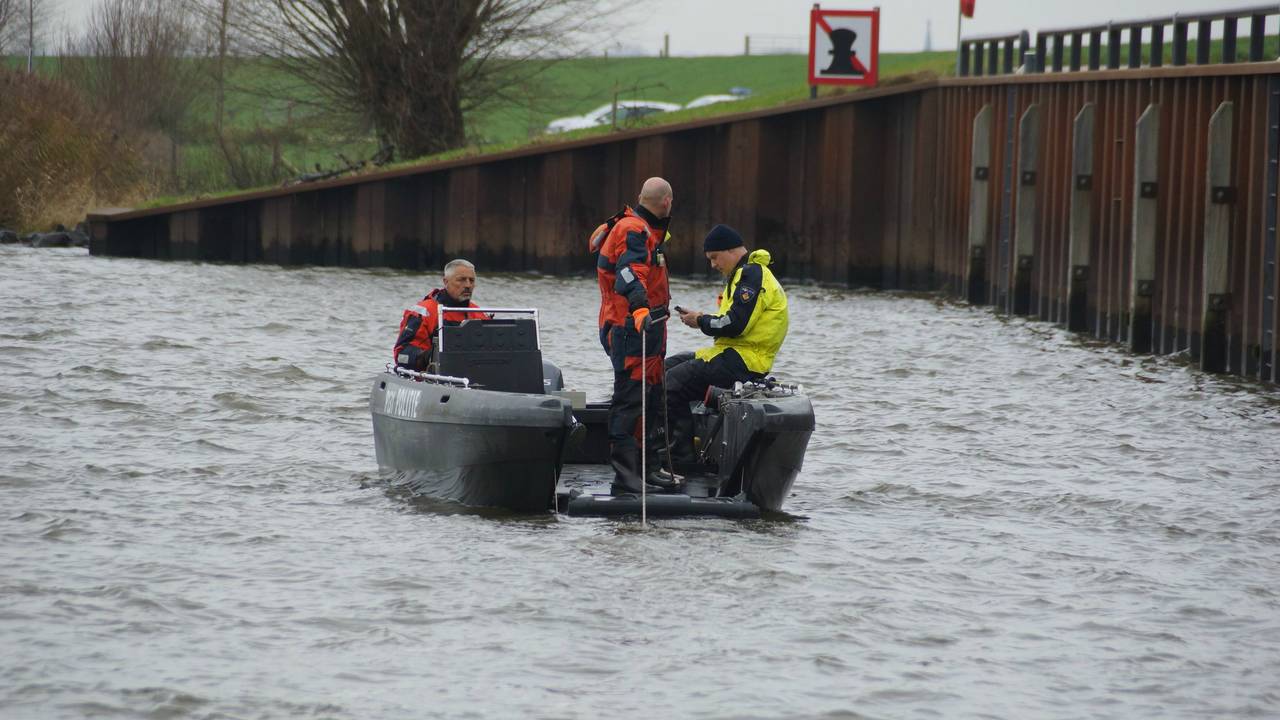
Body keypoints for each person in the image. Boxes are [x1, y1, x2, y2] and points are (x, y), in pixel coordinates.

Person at [666, 224, 789, 464]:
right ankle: (665, 444)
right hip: (731, 354)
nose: (712, 265)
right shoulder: (741, 275)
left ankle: (681, 458)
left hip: (745, 361)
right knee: (666, 368)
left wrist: (700, 320)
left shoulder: (752, 274)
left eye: (715, 257)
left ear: (731, 250)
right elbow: (730, 323)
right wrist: (700, 318)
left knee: (672, 383)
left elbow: (735, 324)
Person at [593, 177, 679, 495]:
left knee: (652, 396)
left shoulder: (643, 228)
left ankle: (649, 466)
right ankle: (625, 474)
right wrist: (641, 307)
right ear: (667, 202)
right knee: (630, 398)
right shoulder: (633, 229)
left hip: (651, 328)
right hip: (631, 326)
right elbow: (629, 273)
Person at [393, 259, 489, 371]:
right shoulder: (424, 312)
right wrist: (431, 356)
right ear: (446, 282)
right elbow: (401, 355)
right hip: (432, 378)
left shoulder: (480, 315)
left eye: (471, 280)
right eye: (461, 280)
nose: (468, 285)